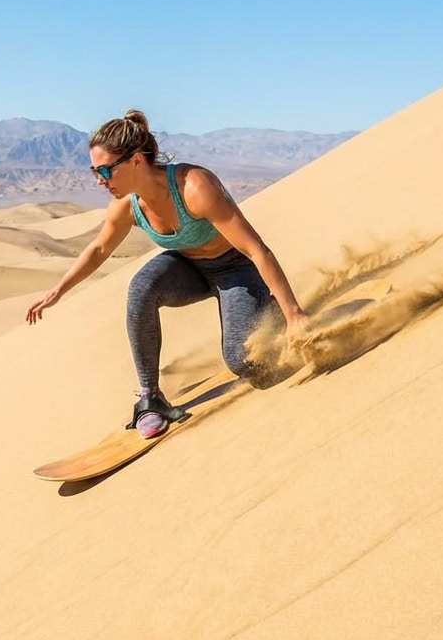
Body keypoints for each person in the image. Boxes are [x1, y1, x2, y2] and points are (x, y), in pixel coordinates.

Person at [25, 109, 309, 439]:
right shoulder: (126, 204)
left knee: (247, 365)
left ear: (135, 161)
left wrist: (294, 315)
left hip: (236, 269)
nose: (100, 180)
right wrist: (57, 291)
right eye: (94, 171)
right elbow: (99, 249)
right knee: (141, 287)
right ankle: (150, 397)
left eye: (105, 170)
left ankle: (269, 311)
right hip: (189, 268)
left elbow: (256, 249)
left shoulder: (194, 187)